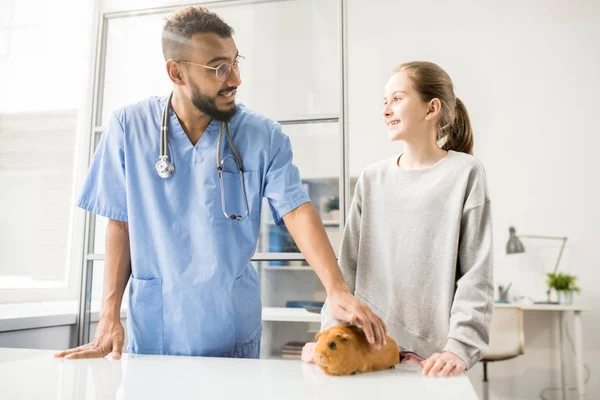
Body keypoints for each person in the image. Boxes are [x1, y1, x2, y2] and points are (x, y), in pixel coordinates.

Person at [55, 6, 386, 360]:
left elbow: (296, 209)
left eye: (235, 62)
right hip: (156, 329)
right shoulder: (128, 128)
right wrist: (108, 316)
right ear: (175, 72)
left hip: (230, 327)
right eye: (219, 68)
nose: (236, 79)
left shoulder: (263, 135)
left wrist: (335, 289)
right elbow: (120, 224)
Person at [302, 61, 494, 377]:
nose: (386, 110)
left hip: (433, 361)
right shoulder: (371, 178)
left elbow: (477, 273)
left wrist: (460, 347)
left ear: (431, 109)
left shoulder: (465, 173)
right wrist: (328, 333)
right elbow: (346, 269)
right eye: (385, 101)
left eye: (397, 98)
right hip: (366, 351)